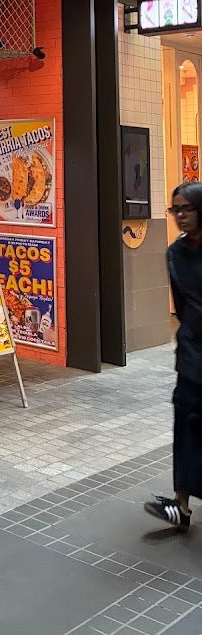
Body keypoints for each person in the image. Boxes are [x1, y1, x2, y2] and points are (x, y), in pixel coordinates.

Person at [144, 181, 202, 529]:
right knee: (185, 426)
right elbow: (182, 307)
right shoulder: (175, 253)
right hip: (193, 354)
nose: (180, 216)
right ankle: (181, 505)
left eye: (187, 208)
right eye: (175, 210)